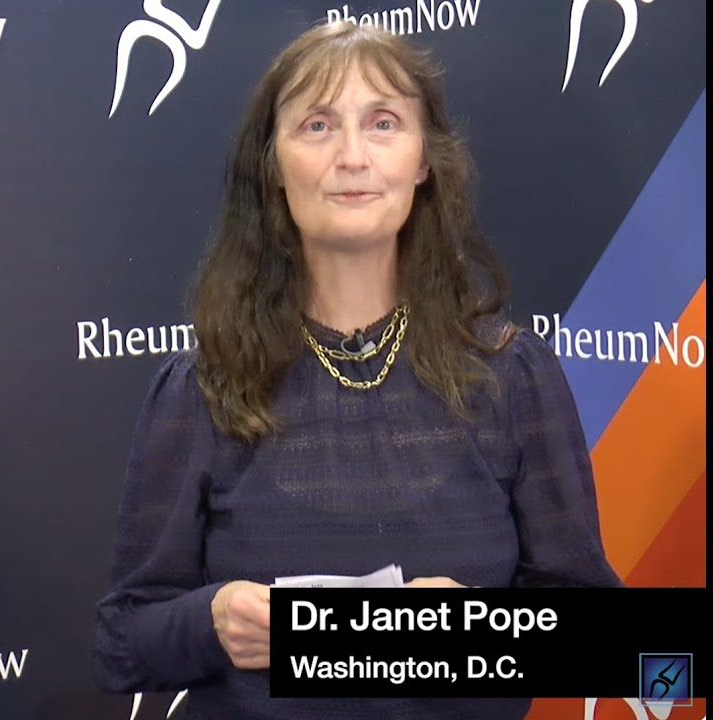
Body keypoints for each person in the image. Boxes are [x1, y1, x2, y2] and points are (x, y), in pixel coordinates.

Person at [91, 20, 623, 720]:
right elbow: (122, 644)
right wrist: (210, 621)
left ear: (424, 160)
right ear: (273, 166)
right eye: (317, 125)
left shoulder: (512, 376)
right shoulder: (201, 387)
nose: (351, 156)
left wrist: (483, 632)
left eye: (383, 123)